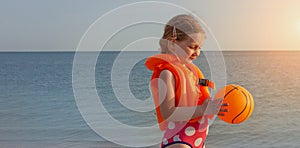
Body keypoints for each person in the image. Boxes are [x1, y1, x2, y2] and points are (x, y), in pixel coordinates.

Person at [145, 14, 227, 148]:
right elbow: (168, 112)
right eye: (192, 46)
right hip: (179, 141)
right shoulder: (167, 74)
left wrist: (213, 106)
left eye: (199, 47)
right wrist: (202, 109)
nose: (197, 52)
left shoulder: (191, 72)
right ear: (172, 44)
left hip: (198, 140)